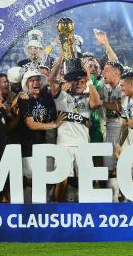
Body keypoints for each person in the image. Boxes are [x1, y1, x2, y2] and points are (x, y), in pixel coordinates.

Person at [50, 55, 101, 202]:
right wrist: (60, 59)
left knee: (87, 183)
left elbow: (97, 103)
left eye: (82, 81)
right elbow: (52, 79)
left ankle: (85, 214)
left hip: (83, 146)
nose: (78, 84)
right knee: (61, 181)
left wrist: (89, 79)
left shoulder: (87, 99)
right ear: (70, 82)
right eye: (75, 81)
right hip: (63, 145)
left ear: (86, 83)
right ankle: (58, 212)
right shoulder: (61, 96)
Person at [17, 68, 65, 202]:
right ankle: (27, 213)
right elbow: (30, 124)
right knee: (31, 182)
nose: (35, 82)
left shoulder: (48, 98)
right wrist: (53, 124)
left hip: (47, 146)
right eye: (31, 80)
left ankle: (45, 213)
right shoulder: (24, 99)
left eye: (37, 80)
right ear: (27, 84)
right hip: (29, 147)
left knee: (48, 180)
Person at [99, 61, 124, 201]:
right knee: (109, 168)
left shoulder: (123, 87)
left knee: (122, 167)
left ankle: (124, 199)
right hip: (108, 129)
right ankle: (113, 200)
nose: (103, 73)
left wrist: (101, 103)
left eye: (106, 70)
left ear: (116, 73)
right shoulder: (106, 87)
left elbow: (119, 107)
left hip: (121, 131)